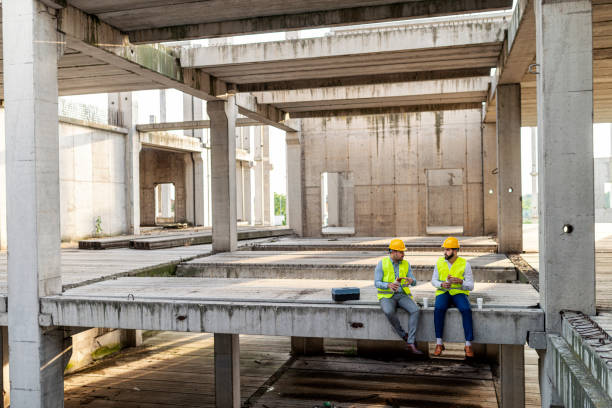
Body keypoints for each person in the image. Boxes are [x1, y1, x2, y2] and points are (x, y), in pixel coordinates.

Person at [374, 238, 422, 354]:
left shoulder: (406, 264)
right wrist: (388, 285)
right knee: (389, 311)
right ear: (393, 252)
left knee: (415, 310)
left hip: (402, 295)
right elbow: (376, 282)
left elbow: (414, 281)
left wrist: (411, 281)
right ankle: (403, 335)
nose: (403, 254)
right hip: (387, 296)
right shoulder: (382, 263)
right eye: (401, 252)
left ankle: (410, 342)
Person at [431, 237, 475, 358]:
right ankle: (439, 343)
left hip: (458, 292)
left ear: (455, 251)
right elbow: (433, 280)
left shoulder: (465, 264)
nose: (445, 252)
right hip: (443, 291)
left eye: (448, 250)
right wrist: (441, 284)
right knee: (438, 309)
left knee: (466, 309)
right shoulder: (439, 262)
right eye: (445, 250)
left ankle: (468, 344)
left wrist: (461, 282)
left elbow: (471, 286)